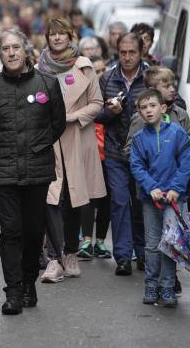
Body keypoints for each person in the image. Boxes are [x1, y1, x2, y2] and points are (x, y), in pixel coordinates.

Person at [0, 29, 65, 315]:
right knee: (10, 231)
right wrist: (7, 149)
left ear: (26, 50)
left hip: (38, 169)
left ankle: (29, 283)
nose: (12, 53)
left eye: (16, 47)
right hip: (4, 170)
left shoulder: (47, 84)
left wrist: (36, 146)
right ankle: (13, 291)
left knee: (32, 231)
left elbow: (57, 124)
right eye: (6, 48)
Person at [36, 19, 106, 283]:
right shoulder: (37, 68)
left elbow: (97, 103)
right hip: (49, 140)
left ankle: (71, 253)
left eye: (61, 33)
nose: (56, 38)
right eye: (51, 34)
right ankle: (54, 258)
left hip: (76, 138)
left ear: (70, 36)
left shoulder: (84, 66)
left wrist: (72, 116)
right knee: (51, 198)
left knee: (74, 199)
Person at [130, 89, 190, 308]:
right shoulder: (138, 138)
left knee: (169, 244)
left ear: (163, 108)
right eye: (143, 107)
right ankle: (151, 285)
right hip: (151, 199)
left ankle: (167, 287)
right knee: (151, 244)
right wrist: (151, 187)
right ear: (139, 112)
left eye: (152, 106)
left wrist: (176, 188)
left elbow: (186, 163)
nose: (148, 111)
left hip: (174, 200)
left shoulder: (177, 133)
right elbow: (137, 166)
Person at [95, 32, 148, 276]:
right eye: (123, 52)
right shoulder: (107, 78)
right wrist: (111, 113)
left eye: (132, 53)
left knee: (140, 204)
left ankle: (143, 253)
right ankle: (123, 257)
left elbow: (173, 103)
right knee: (119, 202)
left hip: (145, 154)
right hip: (115, 150)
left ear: (141, 52)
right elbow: (97, 116)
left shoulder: (151, 78)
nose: (127, 57)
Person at [78, 55, 112, 261]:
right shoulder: (84, 92)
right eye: (94, 71)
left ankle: (100, 241)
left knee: (105, 199)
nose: (98, 74)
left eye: (101, 71)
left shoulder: (110, 91)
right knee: (88, 198)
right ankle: (86, 240)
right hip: (88, 152)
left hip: (108, 154)